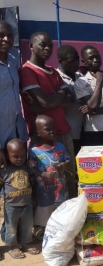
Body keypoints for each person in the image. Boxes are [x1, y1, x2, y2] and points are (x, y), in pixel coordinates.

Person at [19, 31, 77, 198]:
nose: (47, 49)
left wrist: (50, 100)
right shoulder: (27, 71)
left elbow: (71, 99)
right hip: (42, 137)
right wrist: (59, 94)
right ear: (31, 46)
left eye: (50, 46)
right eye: (42, 45)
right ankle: (47, 220)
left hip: (63, 131)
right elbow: (44, 102)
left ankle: (72, 214)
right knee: (45, 181)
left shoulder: (53, 71)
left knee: (69, 176)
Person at [28, 115, 70, 234]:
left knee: (61, 213)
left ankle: (59, 232)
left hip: (60, 189)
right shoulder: (34, 151)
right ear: (38, 132)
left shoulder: (59, 146)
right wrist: (44, 174)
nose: (52, 131)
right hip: (44, 193)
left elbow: (67, 159)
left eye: (53, 128)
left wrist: (64, 164)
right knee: (44, 214)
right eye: (47, 129)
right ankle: (42, 232)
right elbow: (31, 170)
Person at [74, 46, 103, 146]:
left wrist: (95, 111)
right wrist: (99, 80)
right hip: (93, 131)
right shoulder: (80, 83)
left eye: (97, 57)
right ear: (84, 62)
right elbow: (92, 105)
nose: (95, 60)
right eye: (91, 58)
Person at [0, 139, 38, 260]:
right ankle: (12, 246)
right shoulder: (4, 169)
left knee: (27, 225)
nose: (19, 159)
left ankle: (25, 243)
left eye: (22, 156)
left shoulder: (27, 167)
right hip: (11, 206)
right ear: (7, 155)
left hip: (27, 203)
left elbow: (31, 182)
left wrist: (34, 196)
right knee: (11, 227)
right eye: (15, 156)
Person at [0, 21, 28, 169]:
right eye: (1, 35)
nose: (6, 39)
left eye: (9, 36)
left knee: (18, 183)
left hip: (17, 132)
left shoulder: (13, 59)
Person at [57, 45, 83, 155]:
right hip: (66, 132)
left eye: (77, 60)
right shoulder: (57, 77)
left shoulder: (80, 77)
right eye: (72, 61)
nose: (76, 64)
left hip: (82, 130)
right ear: (61, 61)